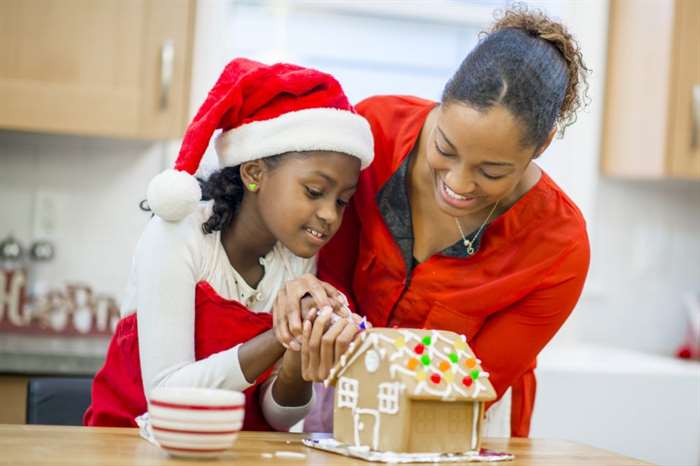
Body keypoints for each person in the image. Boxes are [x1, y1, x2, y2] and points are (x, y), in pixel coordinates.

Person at [274, 6, 591, 437]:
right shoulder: (375, 134)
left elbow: (473, 385)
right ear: (441, 103)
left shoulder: (558, 246)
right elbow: (330, 275)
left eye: (492, 171)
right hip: (340, 395)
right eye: (445, 147)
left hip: (463, 421)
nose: (458, 184)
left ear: (542, 146)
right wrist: (315, 310)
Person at [84, 58, 374, 431]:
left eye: (341, 201)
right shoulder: (177, 235)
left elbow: (277, 417)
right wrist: (279, 337)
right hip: (128, 442)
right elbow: (166, 395)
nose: (330, 215)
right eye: (314, 191)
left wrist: (300, 351)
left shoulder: (298, 259)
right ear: (254, 173)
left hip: (226, 450)